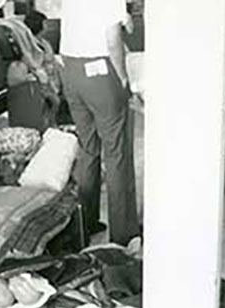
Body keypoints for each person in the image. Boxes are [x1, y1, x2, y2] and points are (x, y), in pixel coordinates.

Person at [60, 0, 139, 247]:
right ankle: (123, 234)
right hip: (100, 72)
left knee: (88, 147)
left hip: (71, 70)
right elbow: (114, 40)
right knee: (116, 152)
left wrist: (124, 17)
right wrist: (124, 79)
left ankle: (86, 223)